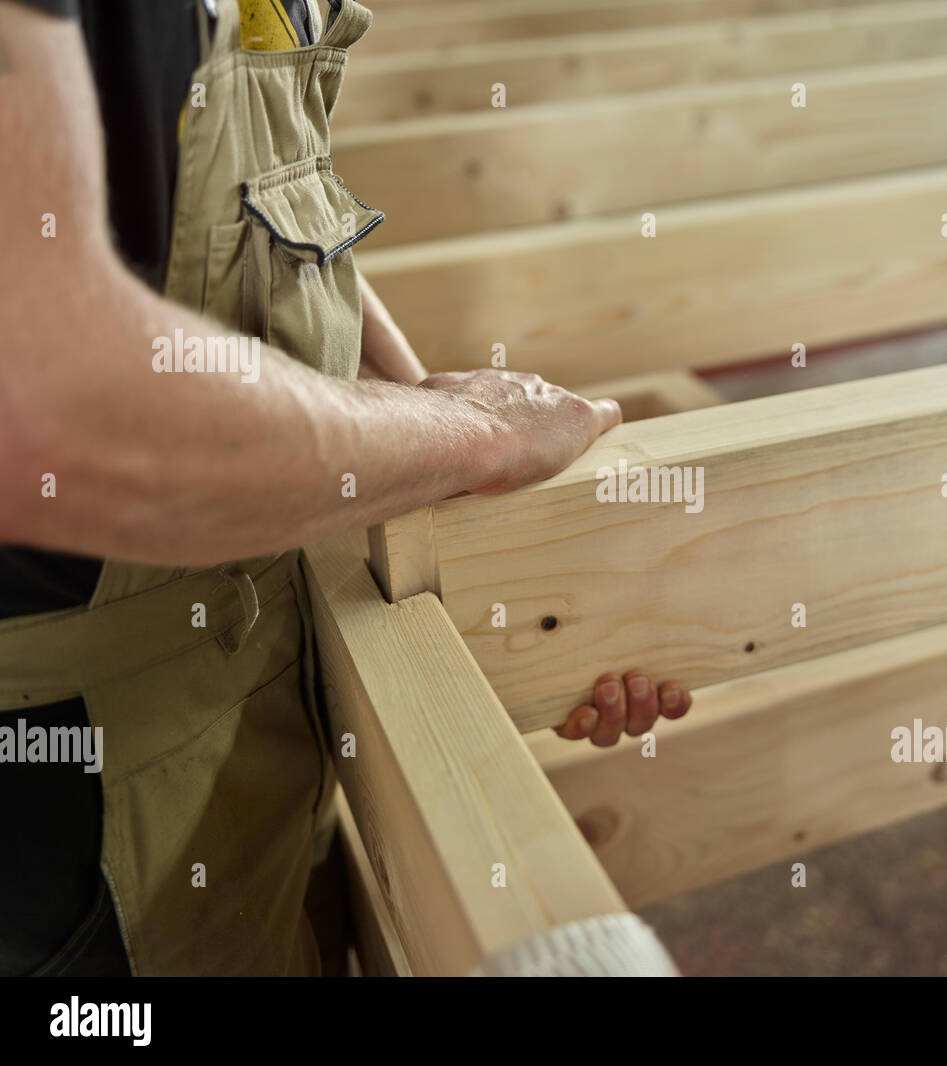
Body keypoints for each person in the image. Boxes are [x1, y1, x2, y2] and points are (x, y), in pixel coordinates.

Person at [0, 0, 693, 977]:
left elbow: (255, 225)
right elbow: (50, 409)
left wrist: (492, 549)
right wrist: (479, 437)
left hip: (257, 683)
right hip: (68, 798)